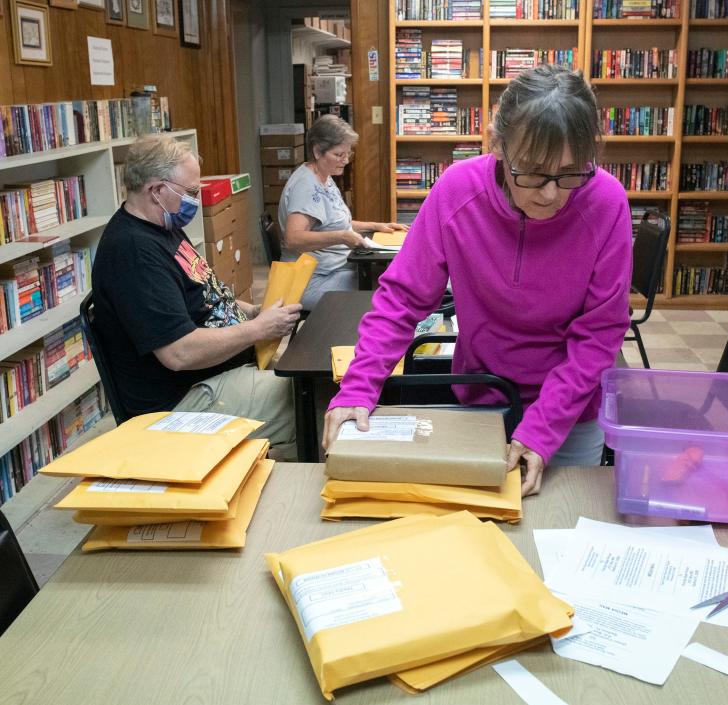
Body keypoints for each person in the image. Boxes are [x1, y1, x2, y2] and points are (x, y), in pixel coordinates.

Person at [322, 65, 632, 496]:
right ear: (497, 144)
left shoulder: (606, 202)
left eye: (570, 173)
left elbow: (599, 334)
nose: (549, 193)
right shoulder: (456, 191)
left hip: (571, 412)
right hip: (482, 399)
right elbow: (402, 299)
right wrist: (359, 388)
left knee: (558, 530)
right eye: (533, 172)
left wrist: (542, 430)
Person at [92, 134, 302, 458]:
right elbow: (179, 353)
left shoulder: (162, 225)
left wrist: (254, 310)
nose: (197, 200)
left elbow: (205, 295)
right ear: (156, 191)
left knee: (309, 373)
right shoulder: (133, 253)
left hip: (221, 373)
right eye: (190, 192)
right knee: (310, 396)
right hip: (183, 401)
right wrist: (258, 329)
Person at [279, 114, 406, 309]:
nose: (345, 160)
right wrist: (342, 236)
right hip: (310, 282)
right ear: (317, 151)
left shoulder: (324, 177)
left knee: (391, 276)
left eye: (348, 154)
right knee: (390, 287)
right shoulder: (305, 185)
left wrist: (376, 225)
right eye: (339, 155)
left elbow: (332, 222)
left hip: (334, 269)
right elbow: (293, 239)